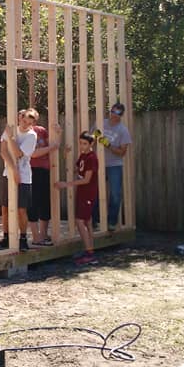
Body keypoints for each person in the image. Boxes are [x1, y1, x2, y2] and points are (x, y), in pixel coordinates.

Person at [0, 108, 38, 251]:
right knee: (5, 208)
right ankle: (6, 238)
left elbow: (18, 153)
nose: (25, 124)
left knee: (21, 209)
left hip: (24, 177)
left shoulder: (31, 136)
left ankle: (23, 238)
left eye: (29, 123)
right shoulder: (11, 129)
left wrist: (11, 138)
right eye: (24, 120)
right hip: (8, 173)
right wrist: (13, 169)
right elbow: (3, 151)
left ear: (33, 123)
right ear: (20, 118)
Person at [55, 131, 100, 265]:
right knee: (87, 221)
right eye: (80, 143)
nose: (82, 146)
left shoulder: (92, 158)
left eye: (85, 144)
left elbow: (86, 180)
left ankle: (89, 253)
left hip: (88, 194)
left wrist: (66, 184)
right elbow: (75, 170)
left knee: (80, 221)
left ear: (91, 144)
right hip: (82, 193)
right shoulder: (83, 156)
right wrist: (65, 155)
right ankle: (90, 251)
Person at [97, 102, 132, 231]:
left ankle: (111, 222)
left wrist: (108, 145)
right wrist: (96, 137)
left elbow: (122, 152)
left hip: (114, 165)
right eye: (112, 111)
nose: (114, 115)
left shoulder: (123, 130)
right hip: (99, 163)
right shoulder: (101, 123)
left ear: (121, 115)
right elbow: (91, 137)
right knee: (94, 192)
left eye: (117, 113)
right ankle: (95, 220)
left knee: (115, 194)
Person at [29, 115, 63, 247]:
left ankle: (43, 234)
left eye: (33, 118)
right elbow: (33, 153)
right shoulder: (24, 133)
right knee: (33, 203)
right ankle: (36, 236)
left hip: (45, 170)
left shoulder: (41, 130)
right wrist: (51, 148)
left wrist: (59, 134)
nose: (31, 121)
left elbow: (55, 145)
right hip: (31, 170)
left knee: (45, 202)